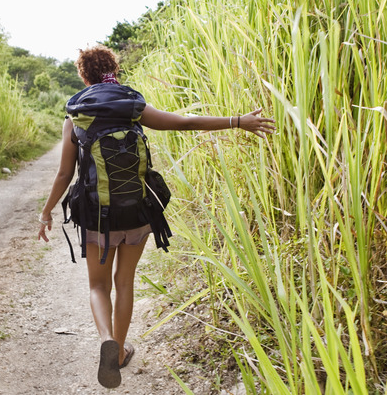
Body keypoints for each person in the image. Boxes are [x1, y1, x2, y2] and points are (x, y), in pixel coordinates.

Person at [37, 45, 275, 388]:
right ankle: (118, 351)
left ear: (83, 76)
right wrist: (239, 121)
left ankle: (106, 338)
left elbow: (64, 175)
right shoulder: (133, 107)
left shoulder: (76, 117)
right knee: (124, 282)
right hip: (136, 211)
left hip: (96, 215)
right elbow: (185, 123)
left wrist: (46, 213)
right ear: (113, 71)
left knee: (98, 286)